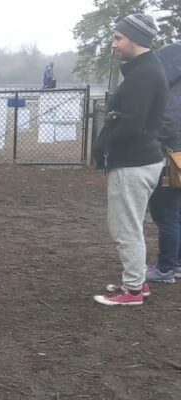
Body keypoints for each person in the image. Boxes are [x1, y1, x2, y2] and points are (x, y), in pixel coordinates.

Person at [92, 13, 169, 306]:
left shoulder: (143, 75)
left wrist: (109, 130)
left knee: (125, 227)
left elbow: (132, 125)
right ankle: (137, 281)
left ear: (135, 39)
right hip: (142, 160)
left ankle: (133, 291)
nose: (114, 44)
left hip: (133, 163)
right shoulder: (147, 70)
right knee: (132, 224)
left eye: (118, 38)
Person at [146, 42, 181, 283]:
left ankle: (166, 267)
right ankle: (175, 263)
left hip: (169, 158)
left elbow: (168, 124)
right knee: (176, 211)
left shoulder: (169, 93)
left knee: (164, 212)